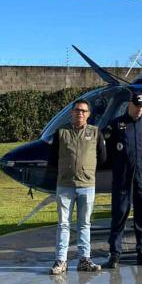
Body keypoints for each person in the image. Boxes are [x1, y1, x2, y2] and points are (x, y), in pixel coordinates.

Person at [48, 99, 106, 274]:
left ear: (88, 114)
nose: (79, 113)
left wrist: (88, 170)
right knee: (63, 224)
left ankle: (84, 259)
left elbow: (103, 158)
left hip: (87, 185)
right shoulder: (61, 133)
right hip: (65, 185)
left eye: (83, 111)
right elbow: (52, 159)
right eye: (76, 110)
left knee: (84, 224)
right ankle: (61, 261)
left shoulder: (96, 133)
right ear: (71, 113)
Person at [103, 92, 142, 268]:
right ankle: (115, 254)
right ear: (129, 105)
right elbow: (107, 153)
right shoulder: (116, 124)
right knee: (119, 215)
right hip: (123, 178)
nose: (139, 110)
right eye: (136, 106)